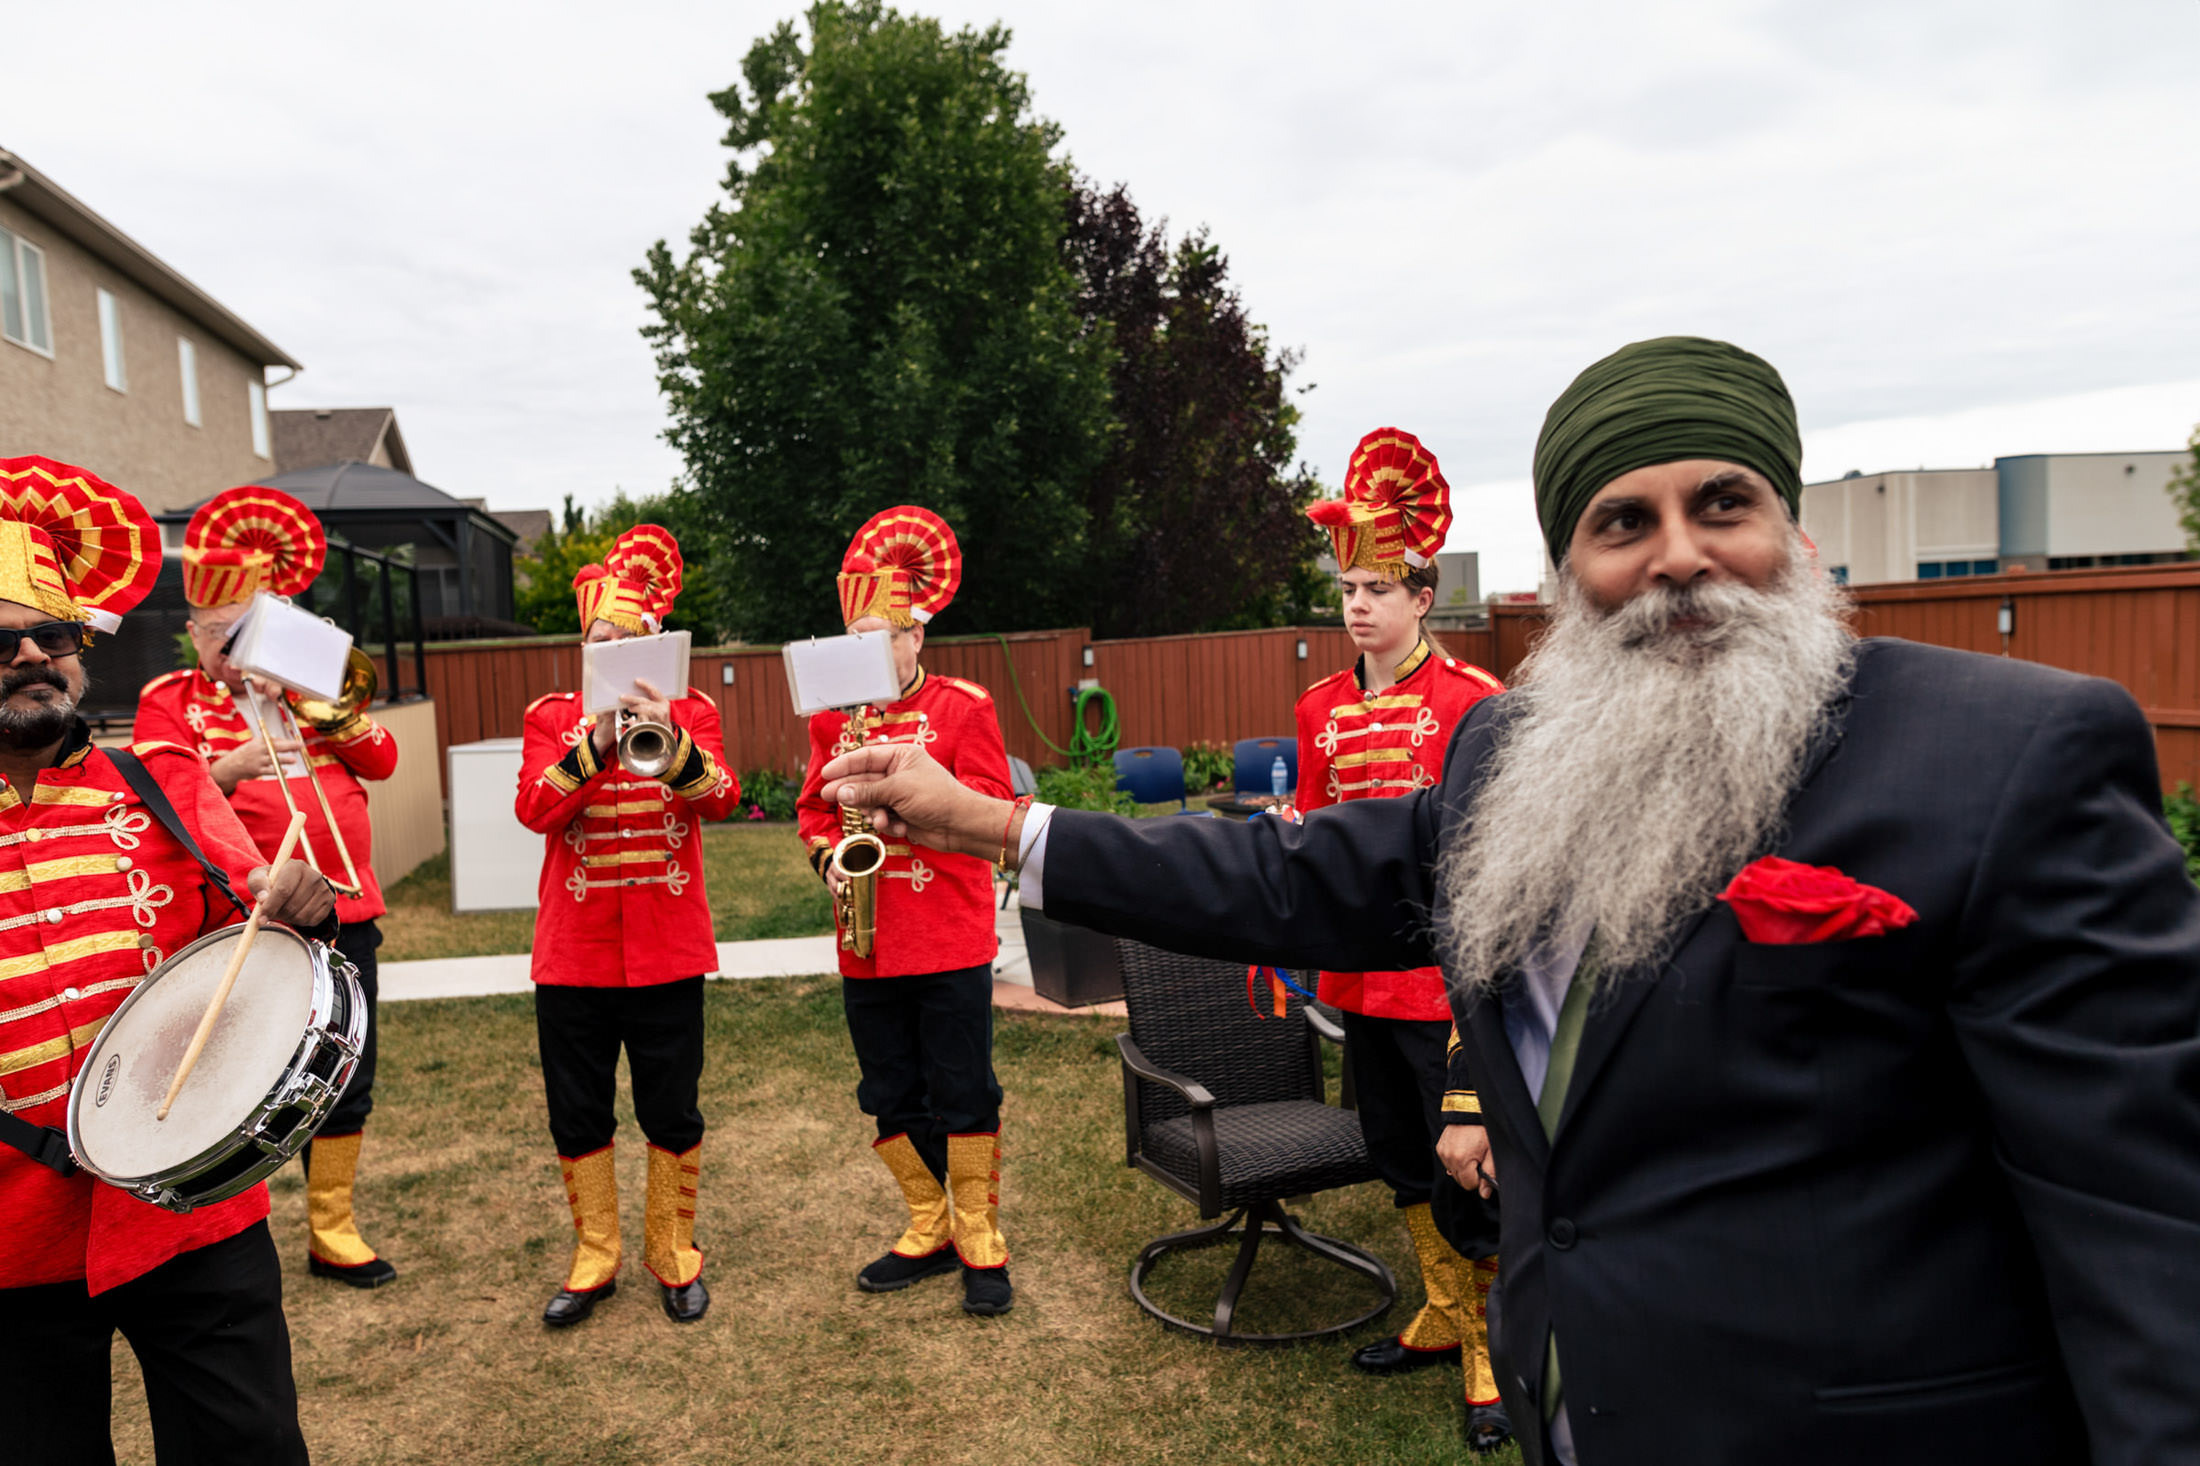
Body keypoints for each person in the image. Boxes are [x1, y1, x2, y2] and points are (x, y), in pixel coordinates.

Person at [817, 338, 2200, 1465]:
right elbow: (1290, 873)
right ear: (1567, 576)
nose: (1676, 555)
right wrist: (996, 819)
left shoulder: (2006, 757)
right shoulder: (1508, 756)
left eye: (1723, 504)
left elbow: (2148, 1221)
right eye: (1622, 522)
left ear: (1798, 530)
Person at [0, 456, 335, 1466]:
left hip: (193, 1213)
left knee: (249, 1447)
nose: (30, 653)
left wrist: (300, 912)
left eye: (52, 634)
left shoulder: (159, 781)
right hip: (10, 1243)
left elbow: (263, 928)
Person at [1298, 428, 1511, 1452]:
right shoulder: (1318, 707)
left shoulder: (1473, 703)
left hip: (1442, 985)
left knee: (1467, 1162)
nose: (1358, 604)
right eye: (1347, 586)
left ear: (1422, 597)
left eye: (1378, 587)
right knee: (1394, 1152)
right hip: (1358, 978)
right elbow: (1306, 833)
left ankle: (1492, 1344)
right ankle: (1441, 1309)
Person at [134, 486, 402, 1288]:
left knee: (345, 1068)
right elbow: (163, 795)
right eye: (218, 635)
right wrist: (228, 765)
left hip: (346, 907)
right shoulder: (170, 702)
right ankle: (223, 1221)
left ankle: (334, 1229)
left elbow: (382, 760)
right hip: (238, 920)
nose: (232, 649)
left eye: (246, 633)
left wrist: (321, 710)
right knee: (238, 1071)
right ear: (192, 634)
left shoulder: (309, 697)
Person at [514, 526, 740, 1328]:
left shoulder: (693, 712)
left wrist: (667, 738)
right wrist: (596, 744)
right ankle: (595, 1256)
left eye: (631, 639)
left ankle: (674, 1255)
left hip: (666, 951)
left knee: (671, 1109)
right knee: (578, 1112)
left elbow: (721, 798)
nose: (613, 649)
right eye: (601, 640)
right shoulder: (552, 718)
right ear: (585, 647)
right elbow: (534, 810)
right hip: (571, 956)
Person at [796, 506, 1016, 1316]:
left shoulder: (966, 707)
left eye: (885, 633)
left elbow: (994, 806)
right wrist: (829, 858)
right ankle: (929, 1226)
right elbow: (812, 811)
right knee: (889, 1091)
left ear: (917, 636)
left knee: (965, 1091)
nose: (872, 651)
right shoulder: (831, 718)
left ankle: (981, 1238)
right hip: (866, 940)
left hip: (949, 934)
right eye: (856, 635)